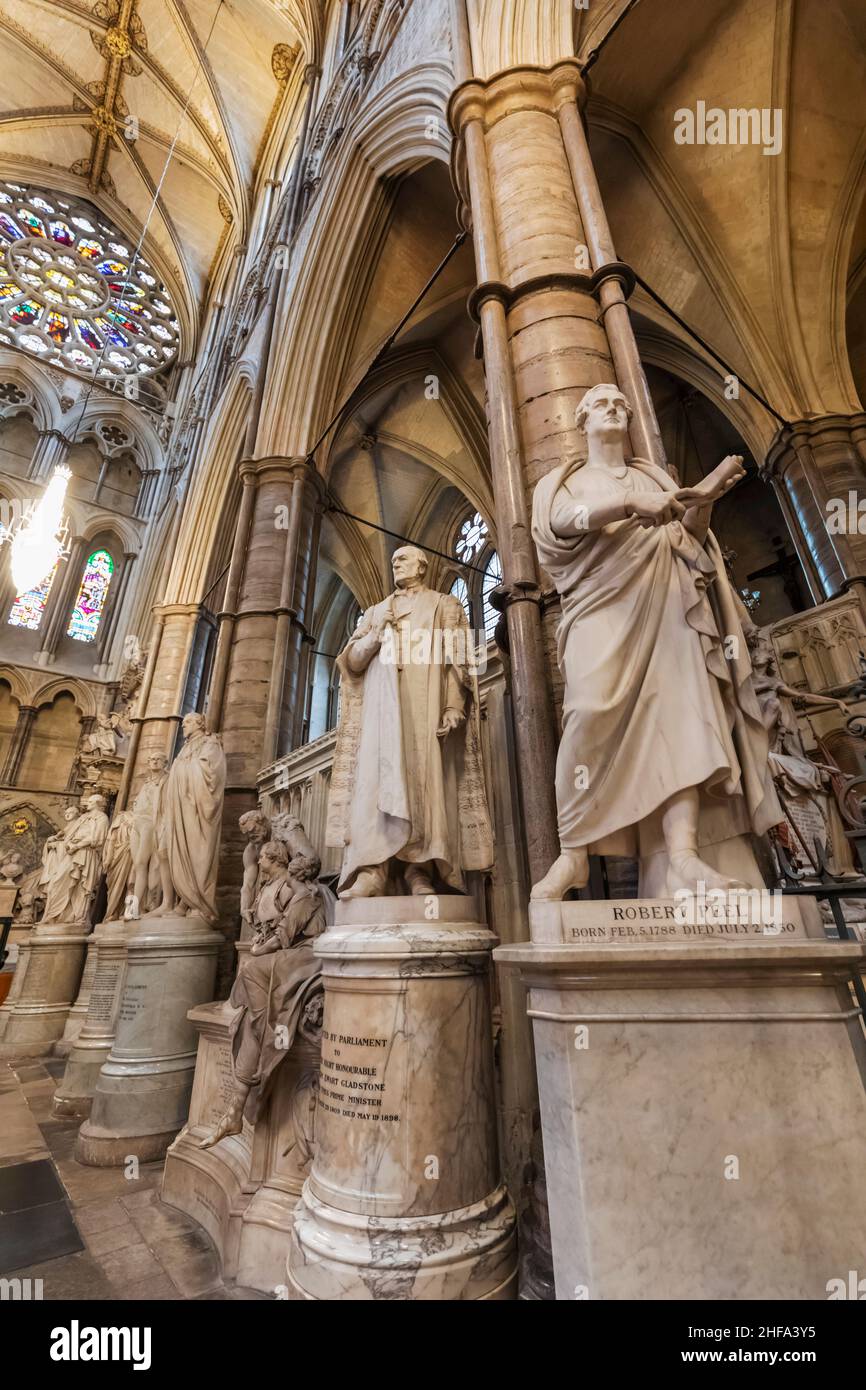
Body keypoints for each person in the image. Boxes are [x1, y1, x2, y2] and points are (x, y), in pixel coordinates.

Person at [530, 383, 781, 900]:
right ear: (582, 420)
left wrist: (702, 502)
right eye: (602, 403)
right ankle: (574, 852)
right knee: (586, 713)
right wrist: (629, 503)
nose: (615, 409)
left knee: (682, 719)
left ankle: (683, 855)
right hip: (599, 607)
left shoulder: (653, 474)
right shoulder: (565, 480)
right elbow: (561, 526)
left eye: (622, 403)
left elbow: (687, 539)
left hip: (665, 600)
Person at [325, 544, 493, 897]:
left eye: (403, 559)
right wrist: (374, 637)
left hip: (425, 706)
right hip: (380, 715)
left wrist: (453, 705)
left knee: (425, 785)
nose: (396, 564)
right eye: (393, 560)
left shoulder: (445, 605)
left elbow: (458, 661)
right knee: (375, 785)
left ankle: (421, 871)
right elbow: (351, 663)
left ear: (422, 566)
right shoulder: (375, 612)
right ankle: (374, 871)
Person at [153, 713, 226, 921]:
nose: (183, 726)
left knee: (197, 852)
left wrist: (182, 771)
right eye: (183, 723)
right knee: (168, 850)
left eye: (187, 723)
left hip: (197, 808)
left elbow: (212, 774)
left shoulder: (210, 743)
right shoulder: (185, 747)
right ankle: (180, 901)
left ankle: (198, 904)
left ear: (200, 723)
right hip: (181, 807)